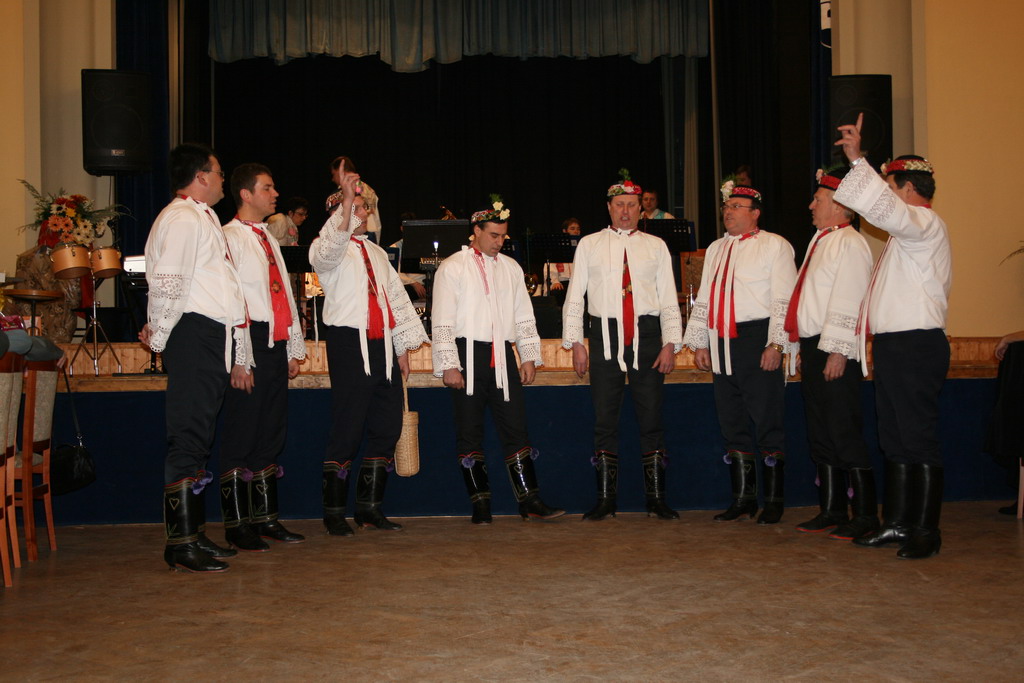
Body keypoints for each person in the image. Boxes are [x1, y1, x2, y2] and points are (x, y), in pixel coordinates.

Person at [833, 113, 952, 560]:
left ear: (906, 188)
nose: (885, 194)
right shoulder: (908, 236)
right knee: (895, 438)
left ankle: (926, 529)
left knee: (917, 437)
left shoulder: (924, 224)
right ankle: (898, 523)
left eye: (889, 186)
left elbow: (890, 212)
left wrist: (857, 159)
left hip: (916, 344)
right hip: (896, 345)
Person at [141, 142, 250, 573]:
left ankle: (194, 533)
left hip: (209, 335)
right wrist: (160, 334)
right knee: (188, 435)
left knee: (200, 436)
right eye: (219, 172)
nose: (223, 180)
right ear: (201, 176)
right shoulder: (183, 218)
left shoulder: (201, 217)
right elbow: (169, 282)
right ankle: (180, 543)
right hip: (194, 333)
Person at [310, 164, 428, 535]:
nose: (366, 213)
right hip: (349, 343)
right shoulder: (329, 249)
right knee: (347, 428)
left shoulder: (376, 253)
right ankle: (333, 513)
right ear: (339, 210)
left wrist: (401, 347)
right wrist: (347, 203)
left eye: (365, 208)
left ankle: (369, 508)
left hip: (382, 346)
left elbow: (394, 300)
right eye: (360, 208)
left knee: (386, 427)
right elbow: (325, 253)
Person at [432, 195, 565, 524]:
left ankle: (529, 500)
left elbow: (523, 315)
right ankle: (480, 504)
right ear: (476, 231)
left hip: (502, 354)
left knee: (516, 427)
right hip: (467, 353)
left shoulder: (511, 267)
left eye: (503, 236)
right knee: (469, 431)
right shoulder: (452, 267)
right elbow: (442, 319)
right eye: (493, 235)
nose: (499, 242)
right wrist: (449, 364)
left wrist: (528, 355)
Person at [562, 171, 683, 521]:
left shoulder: (655, 246)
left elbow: (668, 298)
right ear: (609, 208)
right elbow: (575, 296)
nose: (626, 211)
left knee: (651, 417)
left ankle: (656, 498)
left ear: (640, 209)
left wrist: (670, 343)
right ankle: (606, 499)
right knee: (605, 418)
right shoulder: (590, 244)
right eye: (620, 205)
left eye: (631, 205)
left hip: (647, 335)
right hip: (604, 335)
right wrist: (577, 343)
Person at [682, 182, 797, 525]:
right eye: (726, 206)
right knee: (732, 422)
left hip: (756, 338)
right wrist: (701, 341)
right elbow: (705, 296)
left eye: (736, 206)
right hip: (721, 340)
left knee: (767, 420)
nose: (728, 211)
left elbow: (784, 299)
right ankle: (743, 499)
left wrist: (776, 344)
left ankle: (773, 501)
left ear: (755, 213)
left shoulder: (775, 245)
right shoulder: (716, 248)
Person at [218, 163, 307, 552]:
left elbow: (282, 293)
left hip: (273, 340)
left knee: (271, 430)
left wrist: (291, 345)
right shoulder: (229, 237)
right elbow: (232, 299)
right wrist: (241, 357)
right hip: (249, 338)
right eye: (267, 188)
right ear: (246, 194)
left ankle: (265, 518)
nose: (275, 195)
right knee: (242, 430)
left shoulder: (268, 236)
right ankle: (237, 524)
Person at [785, 166, 878, 539]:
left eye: (818, 199)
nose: (811, 205)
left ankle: (866, 515)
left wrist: (838, 352)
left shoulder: (850, 243)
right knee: (821, 431)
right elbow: (810, 300)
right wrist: (803, 348)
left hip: (835, 347)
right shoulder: (821, 240)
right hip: (816, 346)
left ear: (840, 206)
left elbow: (849, 299)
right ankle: (832, 509)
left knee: (843, 430)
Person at [327, 156, 382, 242]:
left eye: (333, 174)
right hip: (371, 231)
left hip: (356, 233)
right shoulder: (368, 188)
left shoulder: (345, 190)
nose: (333, 179)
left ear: (340, 170)